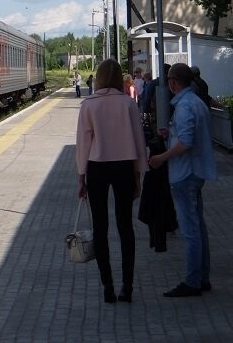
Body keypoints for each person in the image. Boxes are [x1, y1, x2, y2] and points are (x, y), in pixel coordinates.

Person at [76, 59, 147, 304]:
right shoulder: (128, 104)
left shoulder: (88, 105)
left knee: (100, 227)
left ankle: (108, 286)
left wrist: (81, 176)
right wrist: (139, 174)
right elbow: (139, 141)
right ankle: (127, 287)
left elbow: (83, 145)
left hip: (96, 168)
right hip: (124, 167)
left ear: (98, 78)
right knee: (125, 226)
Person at [149, 63, 217, 297]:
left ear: (173, 82)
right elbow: (187, 136)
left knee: (190, 231)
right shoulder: (196, 103)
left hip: (185, 174)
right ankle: (202, 277)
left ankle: (193, 281)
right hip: (196, 172)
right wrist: (171, 135)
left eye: (169, 79)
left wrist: (162, 157)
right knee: (199, 227)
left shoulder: (185, 106)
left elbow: (187, 142)